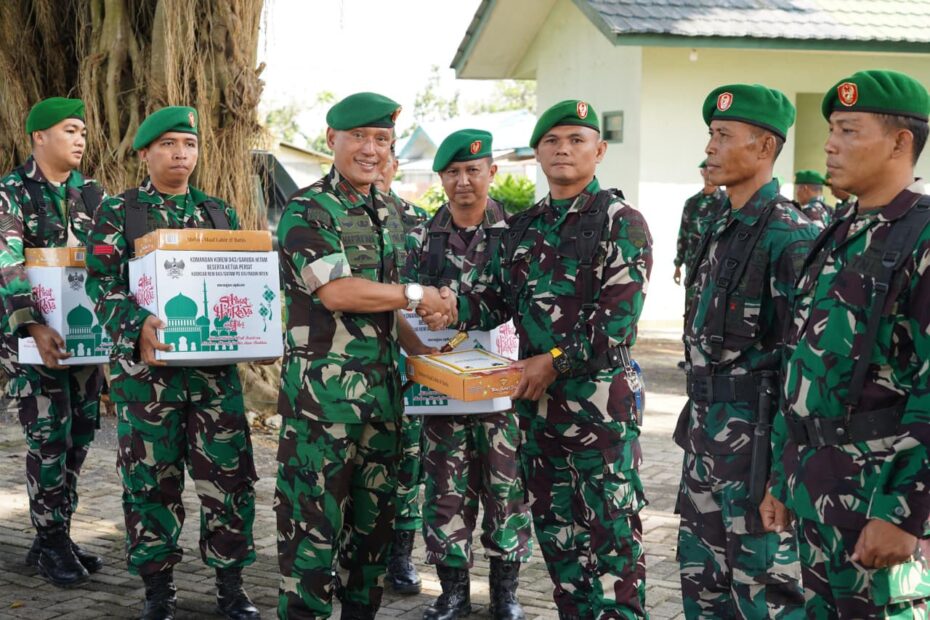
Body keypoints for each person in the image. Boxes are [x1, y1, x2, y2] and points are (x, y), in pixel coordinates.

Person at [430, 100, 653, 618]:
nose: (563, 150)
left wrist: (551, 360)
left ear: (598, 150)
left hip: (601, 417)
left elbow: (616, 324)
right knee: (559, 542)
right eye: (552, 141)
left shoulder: (623, 223)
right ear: (538, 155)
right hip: (538, 415)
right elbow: (494, 301)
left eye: (576, 139)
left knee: (615, 540)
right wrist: (450, 307)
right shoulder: (524, 228)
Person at [274, 91, 455, 619]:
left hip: (383, 405)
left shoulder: (390, 211)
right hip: (322, 409)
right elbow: (339, 292)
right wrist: (420, 295)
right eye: (359, 137)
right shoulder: (307, 208)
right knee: (312, 531)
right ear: (332, 140)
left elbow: (387, 302)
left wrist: (424, 354)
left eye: (382, 139)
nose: (371, 149)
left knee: (371, 539)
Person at [763, 69, 930, 618]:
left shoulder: (922, 237)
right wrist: (783, 478)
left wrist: (905, 512)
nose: (830, 145)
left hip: (879, 500)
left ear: (901, 142)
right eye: (832, 129)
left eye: (850, 130)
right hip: (818, 489)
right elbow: (800, 359)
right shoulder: (840, 230)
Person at [85, 106, 260, 620]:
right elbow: (99, 282)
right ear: (145, 153)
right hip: (147, 383)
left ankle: (232, 587)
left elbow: (239, 283)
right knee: (150, 484)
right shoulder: (120, 212)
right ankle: (158, 591)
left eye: (188, 143)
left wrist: (255, 330)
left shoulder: (218, 213)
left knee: (229, 482)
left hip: (214, 381)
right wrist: (133, 322)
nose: (180, 153)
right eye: (168, 144)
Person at [674, 84, 818, 619]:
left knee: (765, 594)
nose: (710, 147)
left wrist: (782, 474)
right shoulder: (719, 226)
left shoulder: (791, 235)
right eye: (711, 134)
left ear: (763, 148)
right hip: (706, 435)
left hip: (757, 446)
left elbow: (800, 366)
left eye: (723, 136)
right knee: (702, 584)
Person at [404, 129, 533, 620]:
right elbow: (402, 303)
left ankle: (506, 592)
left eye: (473, 171)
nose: (463, 181)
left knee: (506, 490)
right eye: (453, 172)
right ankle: (452, 590)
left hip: (504, 392)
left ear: (492, 172)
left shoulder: (520, 234)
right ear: (441, 178)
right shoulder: (421, 237)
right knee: (445, 491)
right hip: (443, 392)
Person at [0, 97, 106, 587]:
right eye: (70, 130)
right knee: (49, 441)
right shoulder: (11, 192)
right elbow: (7, 263)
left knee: (80, 437)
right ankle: (53, 543)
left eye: (83, 130)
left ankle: (52, 535)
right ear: (39, 137)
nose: (81, 139)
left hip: (86, 341)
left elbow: (111, 260)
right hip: (33, 342)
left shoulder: (95, 195)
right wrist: (32, 325)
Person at [374, 148, 430, 595]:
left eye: (386, 156)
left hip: (414, 359)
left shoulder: (419, 221)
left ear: (394, 165)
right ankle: (345, 556)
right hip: (358, 365)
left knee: (409, 462)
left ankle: (401, 557)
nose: (376, 164)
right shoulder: (331, 214)